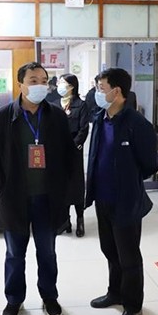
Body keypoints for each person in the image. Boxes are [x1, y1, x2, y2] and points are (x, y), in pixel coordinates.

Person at [0, 62, 75, 315]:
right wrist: (2, 186)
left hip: (48, 199)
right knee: (14, 254)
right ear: (20, 84)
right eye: (33, 81)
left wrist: (67, 190)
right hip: (15, 199)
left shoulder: (57, 116)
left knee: (47, 253)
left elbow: (68, 155)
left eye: (43, 81)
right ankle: (14, 300)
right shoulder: (1, 118)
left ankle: (49, 297)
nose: (39, 86)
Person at [86, 68, 158, 315]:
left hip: (126, 201)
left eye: (101, 88)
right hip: (102, 198)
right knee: (110, 250)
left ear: (117, 92)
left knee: (129, 257)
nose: (97, 93)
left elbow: (150, 164)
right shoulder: (100, 119)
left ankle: (133, 306)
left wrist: (127, 178)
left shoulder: (137, 124)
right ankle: (114, 292)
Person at [52, 73, 90, 237]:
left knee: (76, 186)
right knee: (61, 186)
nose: (59, 86)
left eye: (62, 83)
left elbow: (83, 129)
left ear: (71, 86)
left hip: (74, 151)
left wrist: (72, 146)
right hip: (57, 152)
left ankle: (80, 219)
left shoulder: (81, 105)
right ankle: (65, 221)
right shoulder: (54, 104)